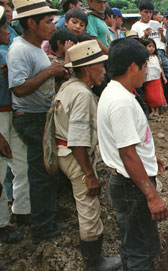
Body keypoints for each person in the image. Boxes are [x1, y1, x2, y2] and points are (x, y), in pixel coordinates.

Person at [97, 37, 168, 271]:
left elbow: (130, 143)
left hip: (127, 183)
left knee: (132, 244)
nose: (146, 71)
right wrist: (152, 195)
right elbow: (127, 154)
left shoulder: (117, 92)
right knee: (142, 251)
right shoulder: (121, 102)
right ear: (132, 67)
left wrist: (149, 157)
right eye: (145, 66)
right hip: (132, 187)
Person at [53, 40, 121, 270]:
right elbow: (78, 139)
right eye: (101, 66)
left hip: (64, 151)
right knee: (89, 206)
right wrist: (89, 175)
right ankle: (95, 262)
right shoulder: (82, 95)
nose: (104, 71)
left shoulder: (68, 86)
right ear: (87, 68)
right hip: (75, 156)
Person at [7, 0, 68, 243]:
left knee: (48, 171)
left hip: (41, 116)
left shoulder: (35, 47)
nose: (53, 27)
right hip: (30, 119)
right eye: (48, 22)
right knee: (42, 172)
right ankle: (42, 228)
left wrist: (57, 72)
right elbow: (19, 89)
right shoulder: (19, 49)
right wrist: (49, 72)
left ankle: (45, 218)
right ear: (31, 23)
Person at [0, 5, 26, 244]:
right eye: (2, 26)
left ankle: (22, 211)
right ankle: (2, 225)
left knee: (21, 164)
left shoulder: (9, 46)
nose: (7, 29)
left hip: (11, 111)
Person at [132, 0, 168, 105]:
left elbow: (164, 41)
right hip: (146, 56)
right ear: (140, 12)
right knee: (147, 81)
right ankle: (148, 105)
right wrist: (145, 36)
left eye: (150, 12)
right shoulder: (136, 26)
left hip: (160, 54)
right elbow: (135, 44)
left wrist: (161, 34)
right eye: (145, 12)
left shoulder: (155, 23)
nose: (148, 15)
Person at [142, 39, 167, 117]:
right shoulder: (144, 58)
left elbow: (160, 67)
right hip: (148, 79)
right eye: (149, 46)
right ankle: (152, 110)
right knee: (149, 95)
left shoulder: (157, 57)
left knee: (157, 95)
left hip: (157, 78)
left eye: (153, 46)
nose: (151, 48)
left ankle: (157, 110)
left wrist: (164, 77)